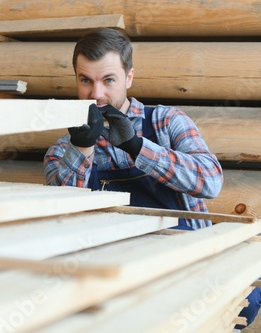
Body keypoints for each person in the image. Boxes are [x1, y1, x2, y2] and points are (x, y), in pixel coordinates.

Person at [43, 27, 260, 329]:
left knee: (247, 298)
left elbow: (210, 181)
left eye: (108, 80)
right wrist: (82, 147)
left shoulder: (167, 121)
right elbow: (62, 214)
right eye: (86, 81)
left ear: (129, 77)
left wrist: (137, 146)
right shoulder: (63, 149)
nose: (96, 94)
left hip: (189, 265)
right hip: (117, 278)